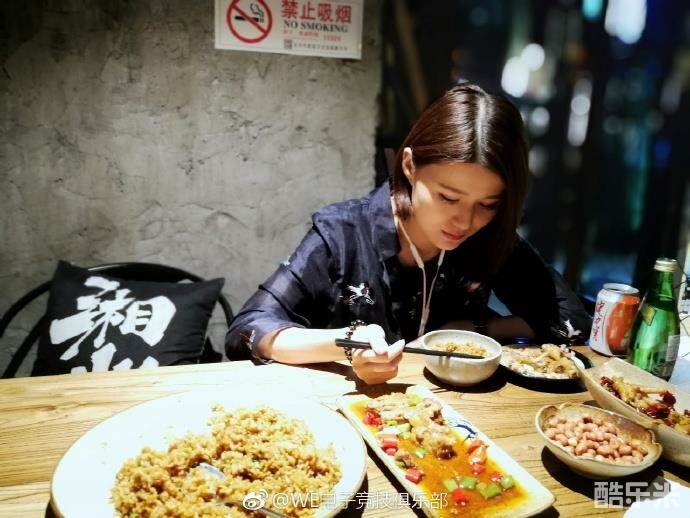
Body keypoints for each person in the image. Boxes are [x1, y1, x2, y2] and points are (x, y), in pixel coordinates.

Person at [226, 83, 592, 384]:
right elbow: (248, 329)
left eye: (488, 204)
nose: (465, 222)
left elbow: (571, 322)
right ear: (409, 166)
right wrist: (347, 343)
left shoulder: (488, 235)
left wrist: (478, 327)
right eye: (448, 197)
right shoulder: (343, 234)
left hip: (461, 417)